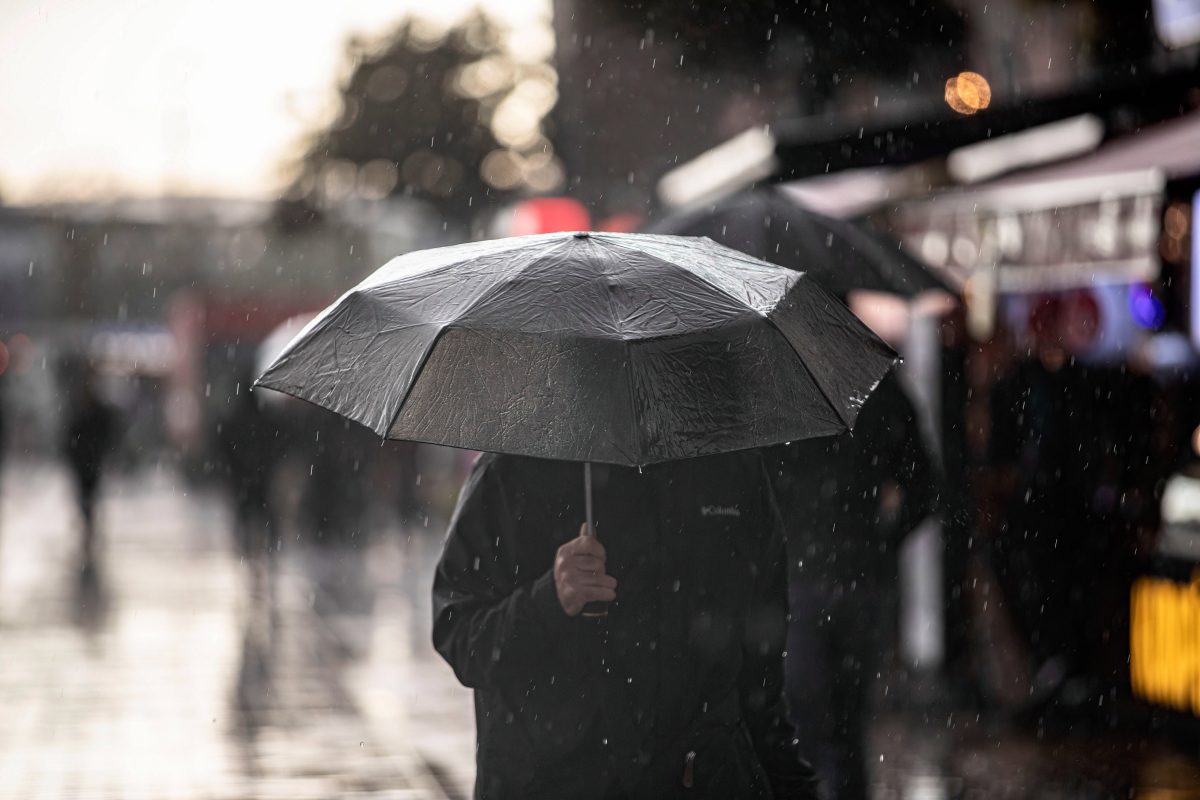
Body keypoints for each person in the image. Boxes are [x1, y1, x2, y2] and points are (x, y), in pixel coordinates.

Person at [432, 450, 820, 800]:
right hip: (550, 781)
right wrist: (549, 598)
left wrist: (792, 787)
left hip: (697, 778)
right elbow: (461, 635)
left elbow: (762, 679)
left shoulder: (732, 470)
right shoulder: (510, 472)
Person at [770, 370, 938, 800]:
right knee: (846, 725)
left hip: (805, 579)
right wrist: (884, 538)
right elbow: (926, 485)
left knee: (807, 721)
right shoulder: (875, 386)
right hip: (857, 576)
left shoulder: (777, 389)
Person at [63, 368, 120, 563]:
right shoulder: (81, 409)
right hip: (83, 461)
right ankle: (88, 525)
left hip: (91, 460)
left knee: (90, 495)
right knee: (85, 495)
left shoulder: (95, 410)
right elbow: (70, 435)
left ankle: (90, 526)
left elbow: (106, 432)